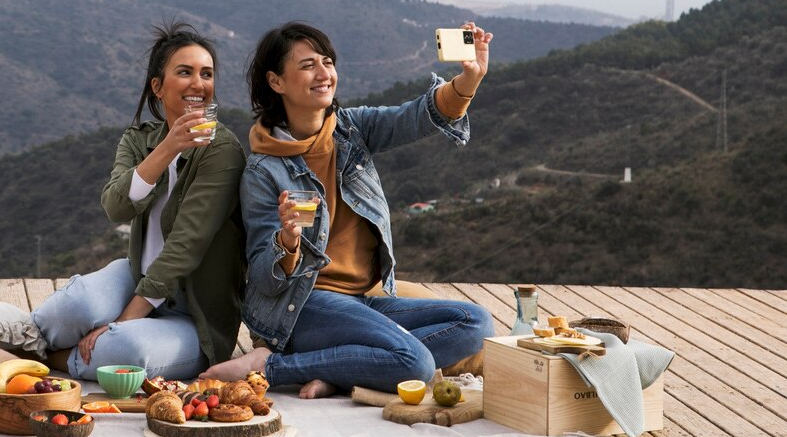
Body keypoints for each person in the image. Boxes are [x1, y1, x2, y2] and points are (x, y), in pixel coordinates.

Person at [201, 21, 494, 397]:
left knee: (477, 323)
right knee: (416, 364)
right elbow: (263, 280)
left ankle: (341, 365)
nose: (324, 73)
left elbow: (416, 116)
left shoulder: (350, 129)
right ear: (276, 82)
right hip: (302, 305)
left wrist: (469, 79)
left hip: (361, 298)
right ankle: (270, 366)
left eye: (328, 62)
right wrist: (286, 243)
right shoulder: (263, 171)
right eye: (308, 65)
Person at [31, 21, 246, 381]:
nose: (199, 83)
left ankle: (53, 357)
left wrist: (122, 323)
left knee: (126, 349)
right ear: (158, 87)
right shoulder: (139, 140)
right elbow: (116, 206)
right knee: (69, 309)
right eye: (185, 72)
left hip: (192, 312)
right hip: (136, 276)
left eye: (206, 74)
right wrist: (168, 147)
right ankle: (39, 342)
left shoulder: (222, 151)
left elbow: (186, 245)